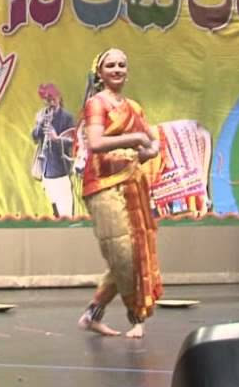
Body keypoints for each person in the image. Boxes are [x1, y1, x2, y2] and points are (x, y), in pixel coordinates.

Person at [76, 48, 163, 339]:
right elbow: (96, 142)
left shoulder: (134, 108)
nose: (116, 69)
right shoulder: (96, 104)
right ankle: (134, 312)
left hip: (131, 183)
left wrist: (147, 151)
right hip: (102, 183)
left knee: (136, 252)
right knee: (123, 255)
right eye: (110, 65)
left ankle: (97, 314)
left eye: (121, 65)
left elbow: (153, 144)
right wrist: (136, 139)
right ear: (99, 73)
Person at [30, 83, 76, 217]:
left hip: (60, 169)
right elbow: (34, 137)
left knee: (66, 212)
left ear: (58, 97)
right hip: (46, 170)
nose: (49, 102)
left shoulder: (67, 117)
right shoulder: (41, 115)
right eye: (46, 99)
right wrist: (39, 124)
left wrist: (56, 138)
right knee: (55, 212)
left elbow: (73, 141)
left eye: (52, 98)